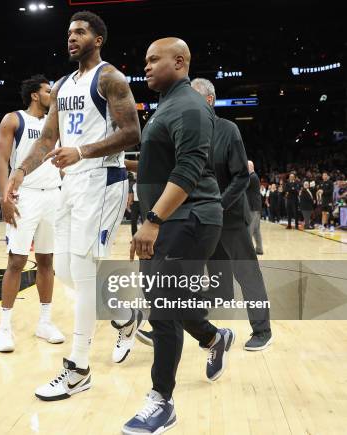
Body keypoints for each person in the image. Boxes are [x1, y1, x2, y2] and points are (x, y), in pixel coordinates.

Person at [6, 11, 142, 400]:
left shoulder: (110, 77)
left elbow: (133, 132)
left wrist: (82, 150)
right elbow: (48, 139)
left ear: (97, 39)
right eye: (69, 32)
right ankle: (123, 316)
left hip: (102, 180)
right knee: (65, 267)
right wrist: (21, 171)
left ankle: (78, 368)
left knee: (83, 273)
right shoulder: (64, 84)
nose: (72, 37)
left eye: (80, 32)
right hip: (71, 183)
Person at [126, 39, 234, 434]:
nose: (147, 65)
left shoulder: (188, 105)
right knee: (166, 298)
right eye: (146, 59)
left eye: (154, 59)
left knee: (161, 305)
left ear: (180, 61)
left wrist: (152, 219)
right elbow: (163, 163)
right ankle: (213, 337)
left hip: (188, 218)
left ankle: (161, 401)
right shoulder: (165, 106)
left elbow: (188, 170)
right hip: (167, 219)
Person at [191, 77, 272, 350]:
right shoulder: (189, 133)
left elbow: (241, 176)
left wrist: (219, 204)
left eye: (192, 98)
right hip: (204, 219)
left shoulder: (228, 130)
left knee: (247, 274)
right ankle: (197, 331)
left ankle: (262, 330)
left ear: (209, 100)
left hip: (231, 217)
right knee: (214, 283)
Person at [0, 74, 64, 352]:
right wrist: (4, 196)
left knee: (47, 261)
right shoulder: (14, 119)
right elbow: (0, 158)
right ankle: (4, 328)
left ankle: (45, 322)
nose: (53, 95)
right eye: (49, 91)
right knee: (17, 261)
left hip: (54, 195)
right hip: (26, 195)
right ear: (35, 94)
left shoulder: (55, 123)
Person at [247, 161, 264, 253]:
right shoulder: (254, 176)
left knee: (249, 229)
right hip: (256, 207)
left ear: (250, 167)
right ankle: (259, 249)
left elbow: (243, 186)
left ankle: (248, 252)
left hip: (253, 207)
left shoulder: (252, 177)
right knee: (256, 230)